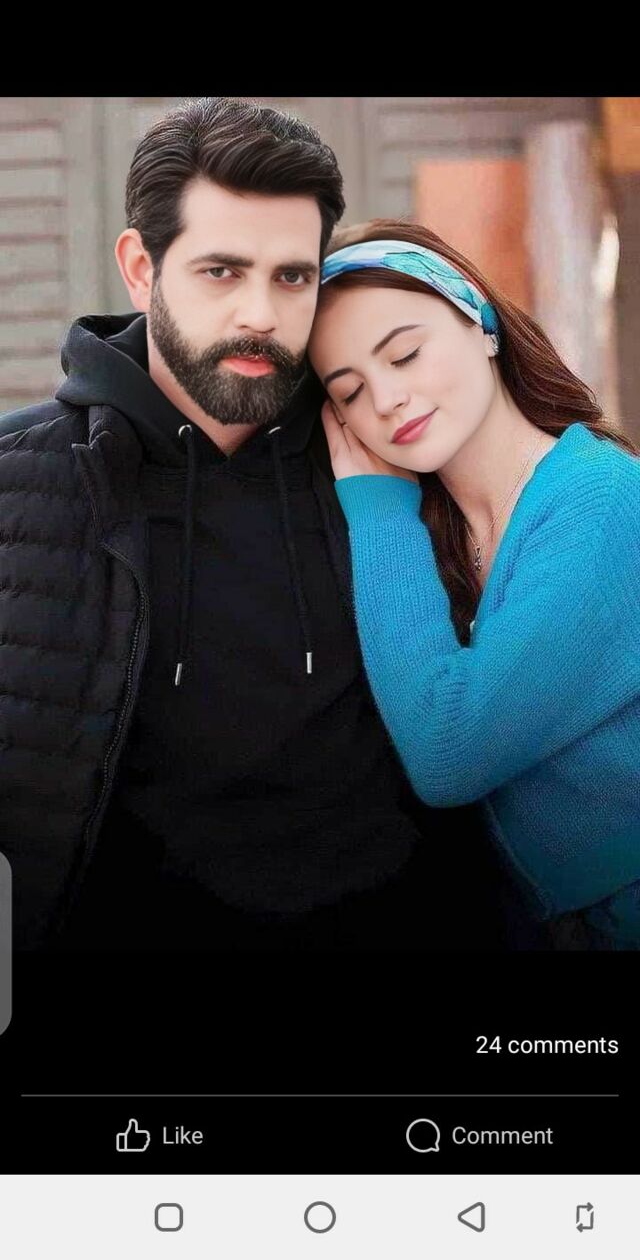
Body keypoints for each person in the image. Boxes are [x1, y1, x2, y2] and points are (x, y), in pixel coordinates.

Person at [0, 101, 505, 955]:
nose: (262, 314)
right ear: (141, 268)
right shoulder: (18, 485)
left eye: (292, 277)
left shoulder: (391, 460)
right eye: (221, 271)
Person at [308, 217, 640, 951]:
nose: (386, 399)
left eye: (405, 354)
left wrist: (377, 510)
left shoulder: (605, 503)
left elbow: (447, 752)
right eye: (350, 391)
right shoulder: (438, 538)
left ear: (481, 321)